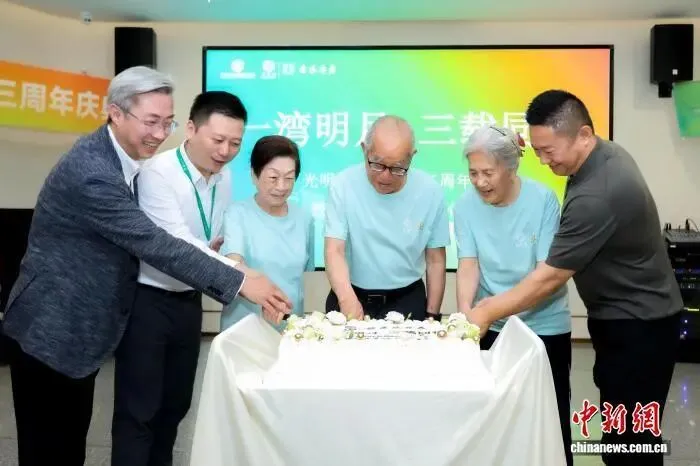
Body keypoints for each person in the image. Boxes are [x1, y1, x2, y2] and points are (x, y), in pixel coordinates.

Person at [1, 66, 291, 466]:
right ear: (116, 113)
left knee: (72, 443)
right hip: (51, 329)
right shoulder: (94, 173)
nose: (160, 133)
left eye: (166, 122)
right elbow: (155, 242)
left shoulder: (124, 159)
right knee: (51, 449)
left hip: (82, 330)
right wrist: (240, 280)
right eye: (151, 121)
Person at [469, 90, 682, 466]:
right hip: (629, 317)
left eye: (549, 151)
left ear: (583, 134)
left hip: (638, 325)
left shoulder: (598, 194)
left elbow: (549, 278)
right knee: (624, 436)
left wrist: (487, 311)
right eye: (537, 150)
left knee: (629, 444)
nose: (543, 160)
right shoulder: (603, 154)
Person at [110, 91, 258, 466]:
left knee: (175, 406)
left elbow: (207, 239)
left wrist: (215, 250)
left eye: (235, 143)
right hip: (147, 303)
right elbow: (176, 243)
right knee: (139, 412)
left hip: (188, 302)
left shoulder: (224, 178)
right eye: (218, 140)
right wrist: (240, 275)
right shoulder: (157, 173)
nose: (225, 151)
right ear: (191, 129)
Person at [454, 124, 572, 466]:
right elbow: (468, 264)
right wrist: (466, 316)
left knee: (550, 419)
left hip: (544, 327)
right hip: (491, 327)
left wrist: (494, 310)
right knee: (493, 421)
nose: (480, 182)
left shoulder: (543, 200)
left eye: (488, 173)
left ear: (511, 167)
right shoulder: (464, 206)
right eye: (473, 173)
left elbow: (545, 274)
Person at [324, 115, 450, 321]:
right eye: (377, 164)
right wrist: (346, 299)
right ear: (364, 150)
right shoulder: (342, 185)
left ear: (412, 157)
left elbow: (435, 259)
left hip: (407, 296)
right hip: (350, 293)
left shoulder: (431, 191)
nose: (385, 176)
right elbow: (334, 250)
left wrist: (432, 315)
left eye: (397, 168)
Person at [220, 135, 315, 332]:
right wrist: (268, 297)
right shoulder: (236, 214)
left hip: (290, 329)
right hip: (244, 331)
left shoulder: (304, 218)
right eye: (273, 177)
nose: (281, 186)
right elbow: (234, 264)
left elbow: (303, 274)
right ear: (254, 175)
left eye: (289, 178)